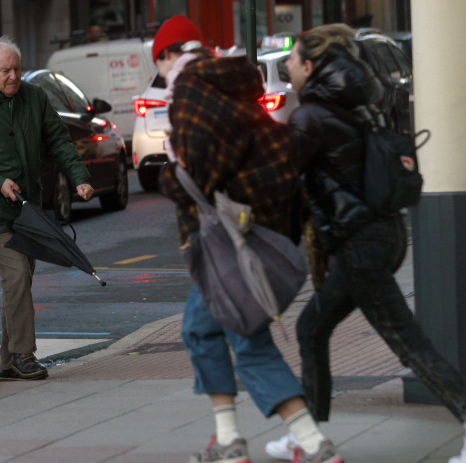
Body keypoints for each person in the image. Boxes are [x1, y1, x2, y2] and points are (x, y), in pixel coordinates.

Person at [261, 23, 466, 463]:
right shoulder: (352, 103)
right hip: (381, 234)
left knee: (409, 343)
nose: (286, 68)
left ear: (310, 66)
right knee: (311, 327)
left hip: (360, 246)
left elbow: (278, 177)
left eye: (290, 61)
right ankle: (307, 438)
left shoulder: (311, 116)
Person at [154, 15, 344, 463]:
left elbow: (199, 169)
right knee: (201, 329)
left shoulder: (190, 89)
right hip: (262, 227)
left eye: (158, 63)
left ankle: (313, 446)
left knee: (246, 338)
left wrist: (169, 173)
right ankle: (228, 440)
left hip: (233, 241)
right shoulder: (232, 80)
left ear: (166, 56)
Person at [0, 36, 94, 382]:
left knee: (20, 281)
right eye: (5, 70)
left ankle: (7, 360)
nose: (13, 76)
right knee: (16, 276)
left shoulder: (34, 98)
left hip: (28, 208)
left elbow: (59, 140)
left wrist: (79, 177)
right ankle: (23, 354)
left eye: (16, 68)